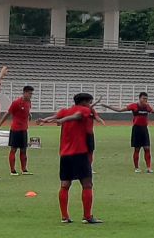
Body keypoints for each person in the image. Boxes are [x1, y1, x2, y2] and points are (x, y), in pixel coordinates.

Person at [39, 93, 102, 224]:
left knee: (65, 185)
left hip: (65, 154)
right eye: (89, 102)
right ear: (84, 102)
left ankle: (64, 216)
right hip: (80, 153)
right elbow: (77, 116)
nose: (90, 105)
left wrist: (46, 120)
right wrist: (63, 120)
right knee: (87, 184)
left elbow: (55, 116)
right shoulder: (83, 110)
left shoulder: (65, 110)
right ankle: (87, 216)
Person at [99, 92, 154, 172]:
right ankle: (137, 168)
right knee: (137, 149)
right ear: (140, 98)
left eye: (146, 99)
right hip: (136, 129)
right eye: (144, 98)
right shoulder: (134, 106)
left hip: (144, 129)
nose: (145, 100)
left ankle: (149, 168)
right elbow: (119, 110)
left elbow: (153, 111)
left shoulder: (147, 107)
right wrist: (107, 106)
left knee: (147, 148)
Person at [0, 85, 34, 176]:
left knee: (24, 150)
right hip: (15, 129)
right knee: (13, 149)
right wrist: (0, 124)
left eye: (31, 94)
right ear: (24, 93)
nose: (30, 95)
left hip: (24, 130)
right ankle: (12, 170)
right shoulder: (16, 102)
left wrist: (29, 115)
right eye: (29, 93)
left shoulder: (29, 102)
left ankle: (24, 169)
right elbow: (8, 113)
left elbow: (26, 110)